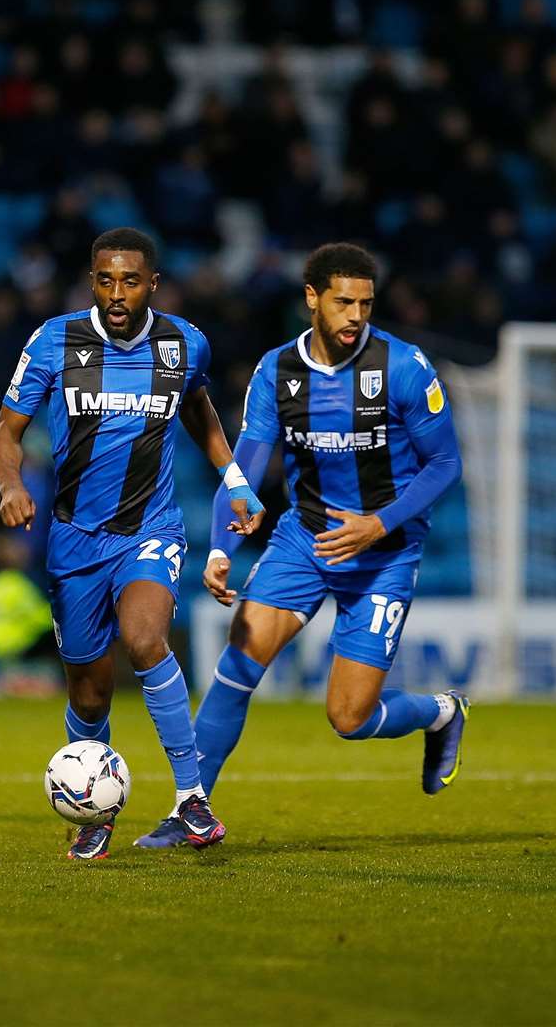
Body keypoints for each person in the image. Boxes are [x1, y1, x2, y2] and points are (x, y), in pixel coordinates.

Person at [168, 243, 468, 850]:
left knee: (348, 719)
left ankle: (442, 712)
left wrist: (379, 523)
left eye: (365, 302)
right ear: (312, 299)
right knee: (238, 662)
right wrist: (223, 548)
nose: (356, 314)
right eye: (342, 301)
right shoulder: (278, 370)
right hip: (303, 540)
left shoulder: (405, 367)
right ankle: (189, 808)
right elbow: (246, 467)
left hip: (384, 554)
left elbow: (444, 463)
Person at [0, 227, 264, 861]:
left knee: (144, 639)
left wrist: (235, 480)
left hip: (151, 529)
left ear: (152, 284)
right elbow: (6, 433)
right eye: (106, 280)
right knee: (89, 689)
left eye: (130, 281)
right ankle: (94, 813)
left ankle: (192, 800)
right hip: (73, 539)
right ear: (93, 281)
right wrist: (9, 485)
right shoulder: (54, 341)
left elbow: (198, 408)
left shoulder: (183, 343)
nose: (118, 293)